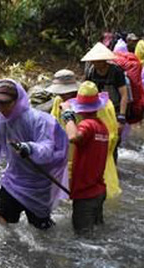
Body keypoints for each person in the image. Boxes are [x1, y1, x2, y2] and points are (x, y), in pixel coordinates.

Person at [0, 79, 68, 230]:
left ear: (16, 101)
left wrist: (29, 148)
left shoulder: (37, 120)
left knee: (42, 230)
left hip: (38, 183)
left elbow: (48, 149)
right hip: (12, 180)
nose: (0, 107)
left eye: (5, 102)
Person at [48, 69, 121, 199]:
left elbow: (111, 136)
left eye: (67, 93)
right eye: (60, 93)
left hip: (91, 156)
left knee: (93, 193)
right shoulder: (59, 101)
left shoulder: (99, 107)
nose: (63, 96)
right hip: (67, 156)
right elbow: (53, 127)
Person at [58, 81, 110, 235]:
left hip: (86, 195)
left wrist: (67, 114)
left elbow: (73, 137)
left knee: (83, 239)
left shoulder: (87, 125)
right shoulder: (102, 126)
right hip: (99, 191)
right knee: (96, 235)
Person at [83, 42, 129, 157]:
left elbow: (124, 95)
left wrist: (121, 118)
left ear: (104, 60)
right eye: (94, 60)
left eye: (98, 60)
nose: (96, 63)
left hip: (115, 110)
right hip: (97, 110)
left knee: (113, 141)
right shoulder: (91, 71)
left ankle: (112, 167)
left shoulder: (116, 72)